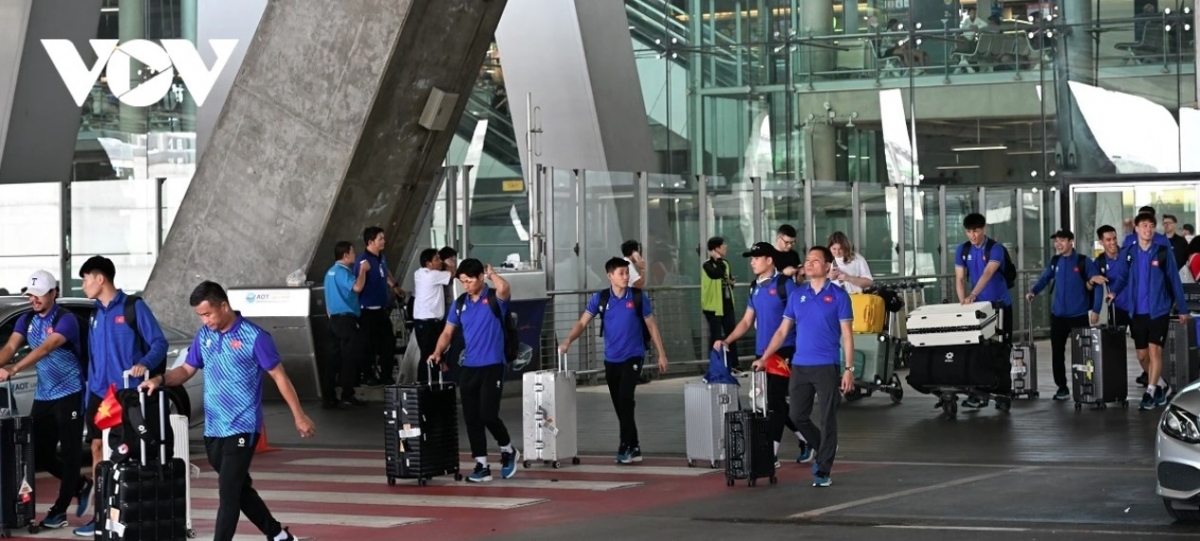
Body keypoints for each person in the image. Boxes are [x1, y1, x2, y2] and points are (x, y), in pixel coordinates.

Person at [140, 281, 314, 541]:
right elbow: (187, 369)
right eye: (200, 315)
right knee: (238, 489)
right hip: (214, 428)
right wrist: (159, 380)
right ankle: (277, 535)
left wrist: (299, 416)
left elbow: (280, 377)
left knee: (228, 493)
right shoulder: (204, 336)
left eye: (208, 314)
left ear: (224, 306)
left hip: (243, 426)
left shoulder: (255, 337)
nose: (204, 320)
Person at [75, 255, 169, 538]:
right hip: (99, 393)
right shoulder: (94, 313)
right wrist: (89, 390)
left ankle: (125, 512)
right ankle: (100, 514)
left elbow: (159, 343)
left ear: (100, 278)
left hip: (125, 394)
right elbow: (92, 356)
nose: (83, 286)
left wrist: (146, 364)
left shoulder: (133, 307)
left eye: (85, 279)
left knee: (125, 454)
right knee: (96, 449)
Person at [759, 246, 854, 488]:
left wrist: (849, 369)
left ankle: (823, 469)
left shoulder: (839, 296)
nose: (809, 264)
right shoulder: (797, 295)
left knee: (827, 418)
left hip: (826, 366)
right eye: (807, 260)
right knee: (797, 415)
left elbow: (847, 335)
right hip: (800, 365)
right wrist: (765, 357)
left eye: (815, 260)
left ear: (827, 266)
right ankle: (825, 446)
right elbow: (782, 331)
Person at [0, 271, 89, 528]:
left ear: (53, 294)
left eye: (39, 294)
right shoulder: (26, 319)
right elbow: (9, 347)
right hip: (44, 394)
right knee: (38, 454)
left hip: (70, 392)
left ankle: (59, 511)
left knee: (71, 453)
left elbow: (46, 347)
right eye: (30, 294)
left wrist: (14, 369)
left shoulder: (66, 319)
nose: (34, 299)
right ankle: (82, 485)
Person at [559, 257, 669, 464]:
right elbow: (582, 323)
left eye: (627, 273)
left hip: (633, 356)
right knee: (620, 404)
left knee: (626, 399)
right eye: (621, 273)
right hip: (611, 359)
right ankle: (634, 445)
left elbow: (652, 326)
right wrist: (568, 341)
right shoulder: (601, 299)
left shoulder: (637, 297)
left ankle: (625, 444)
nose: (626, 277)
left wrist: (661, 353)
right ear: (610, 276)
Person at [712, 243, 808, 466]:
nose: (752, 261)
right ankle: (806, 439)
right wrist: (727, 340)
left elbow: (800, 319)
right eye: (751, 258)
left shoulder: (786, 285)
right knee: (770, 403)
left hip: (784, 351)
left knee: (774, 402)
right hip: (761, 353)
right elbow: (747, 321)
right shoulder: (755, 286)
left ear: (769, 260)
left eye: (756, 257)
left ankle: (769, 454)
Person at [429, 259, 520, 482]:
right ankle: (482, 465)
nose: (465, 285)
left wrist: (492, 273)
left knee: (488, 414)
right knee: (471, 417)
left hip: (493, 365)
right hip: (470, 366)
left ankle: (508, 449)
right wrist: (437, 351)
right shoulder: (460, 303)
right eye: (462, 281)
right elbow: (448, 333)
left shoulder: (494, 299)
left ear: (480, 277)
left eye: (469, 281)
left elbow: (505, 288)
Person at [1108, 212, 1189, 410]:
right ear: (1136, 229)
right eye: (1143, 225)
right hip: (1137, 311)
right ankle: (1161, 385)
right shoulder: (1130, 252)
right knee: (1143, 356)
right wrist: (1114, 293)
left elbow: (1174, 280)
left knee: (1155, 352)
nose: (1148, 229)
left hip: (1158, 310)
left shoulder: (1162, 252)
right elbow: (1123, 277)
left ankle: (1150, 392)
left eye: (1151, 225)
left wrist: (1183, 309)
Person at [1025, 230, 1096, 401]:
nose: (1058, 244)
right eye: (1056, 241)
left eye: (1062, 240)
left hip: (1078, 315)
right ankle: (1062, 387)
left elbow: (1095, 282)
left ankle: (1088, 386)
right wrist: (1033, 291)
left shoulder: (1083, 261)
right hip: (1058, 315)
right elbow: (1044, 279)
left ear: (1071, 241)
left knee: (1085, 354)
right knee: (1057, 352)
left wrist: (1096, 309)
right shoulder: (1055, 261)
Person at [954, 213, 1013, 409]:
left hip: (1000, 306)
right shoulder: (962, 250)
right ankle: (977, 394)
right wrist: (963, 301)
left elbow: (988, 273)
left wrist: (972, 295)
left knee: (1001, 350)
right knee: (975, 351)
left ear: (984, 229)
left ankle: (1003, 394)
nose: (973, 235)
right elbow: (960, 278)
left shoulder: (995, 249)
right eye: (969, 231)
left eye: (976, 231)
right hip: (977, 309)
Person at [356, 227, 405, 386]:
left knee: (388, 342)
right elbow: (357, 285)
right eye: (380, 239)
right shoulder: (363, 261)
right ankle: (368, 375)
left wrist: (394, 286)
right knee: (367, 345)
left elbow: (386, 272)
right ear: (370, 242)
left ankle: (386, 375)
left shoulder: (381, 257)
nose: (384, 241)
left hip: (381, 310)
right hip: (367, 311)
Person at [322, 241, 368, 409]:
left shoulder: (329, 273)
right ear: (346, 255)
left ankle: (329, 396)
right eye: (353, 253)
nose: (355, 256)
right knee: (349, 357)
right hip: (347, 319)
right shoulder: (343, 272)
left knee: (333, 358)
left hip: (333, 319)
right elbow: (357, 287)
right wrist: (363, 271)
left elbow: (328, 300)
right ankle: (347, 394)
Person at [413, 248, 456, 383]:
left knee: (430, 353)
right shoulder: (433, 275)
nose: (440, 262)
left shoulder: (419, 273)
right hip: (428, 322)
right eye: (437, 259)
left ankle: (432, 384)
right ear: (428, 263)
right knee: (429, 354)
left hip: (425, 320)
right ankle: (424, 385)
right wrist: (449, 264)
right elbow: (453, 273)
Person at [701, 237, 739, 372]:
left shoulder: (725, 263)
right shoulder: (707, 265)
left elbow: (725, 278)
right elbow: (716, 274)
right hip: (713, 307)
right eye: (723, 245)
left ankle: (734, 364)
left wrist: (731, 283)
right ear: (716, 248)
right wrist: (717, 260)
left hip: (727, 304)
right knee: (716, 337)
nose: (726, 247)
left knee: (732, 335)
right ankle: (716, 366)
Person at [1089, 225, 1130, 328]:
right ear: (1101, 242)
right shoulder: (1100, 262)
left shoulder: (1129, 255)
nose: (1113, 242)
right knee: (1116, 342)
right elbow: (1098, 286)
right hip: (1117, 307)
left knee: (1142, 342)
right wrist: (1096, 310)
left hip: (1138, 306)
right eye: (1108, 240)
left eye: (1114, 238)